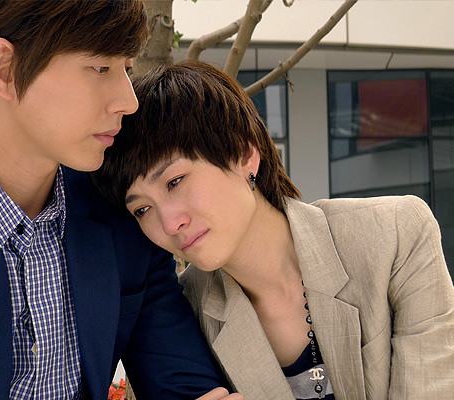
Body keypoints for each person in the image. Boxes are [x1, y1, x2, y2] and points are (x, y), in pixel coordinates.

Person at [0, 2, 243, 399]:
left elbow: (186, 386)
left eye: (126, 69)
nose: (129, 101)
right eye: (100, 68)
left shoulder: (123, 209)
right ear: (3, 69)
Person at [93, 59, 454, 399]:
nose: (170, 223)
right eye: (142, 209)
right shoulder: (182, 318)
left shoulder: (393, 235)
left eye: (175, 182)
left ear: (243, 153)